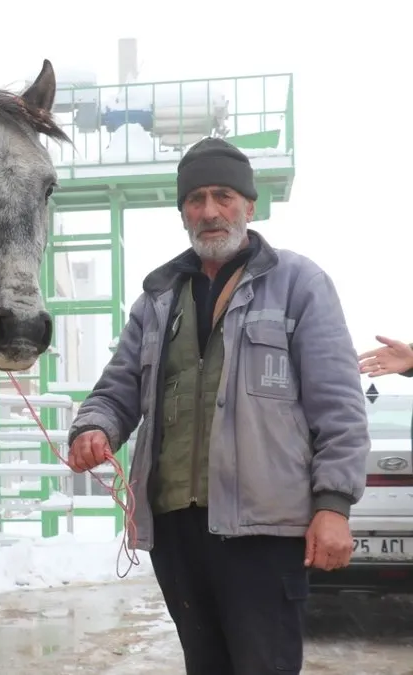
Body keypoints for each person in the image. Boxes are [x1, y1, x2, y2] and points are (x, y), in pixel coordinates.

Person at [65, 137, 370, 674]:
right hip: (178, 532)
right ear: (182, 209)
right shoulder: (157, 300)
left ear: (249, 205)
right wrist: (95, 428)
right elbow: (117, 389)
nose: (210, 211)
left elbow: (340, 407)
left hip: (264, 533)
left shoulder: (300, 284)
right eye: (197, 198)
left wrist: (333, 505)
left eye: (224, 196)